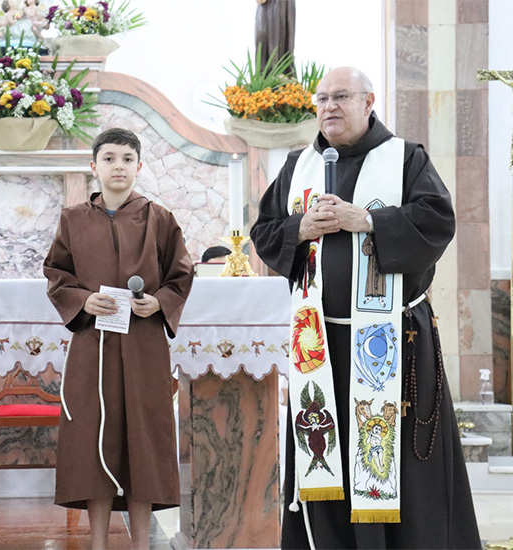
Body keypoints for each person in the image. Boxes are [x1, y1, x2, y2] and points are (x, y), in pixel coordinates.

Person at [250, 67, 480, 549]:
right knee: (325, 448)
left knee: (391, 458)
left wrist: (369, 220)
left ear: (368, 101)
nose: (329, 106)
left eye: (341, 97)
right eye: (322, 98)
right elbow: (265, 232)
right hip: (322, 343)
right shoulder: (299, 165)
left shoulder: (404, 158)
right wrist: (300, 230)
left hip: (391, 339)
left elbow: (437, 222)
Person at [43, 128, 194, 549]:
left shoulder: (159, 219)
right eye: (109, 158)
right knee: (94, 436)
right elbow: (57, 275)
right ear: (94, 167)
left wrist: (160, 303)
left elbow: (181, 274)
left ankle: (142, 541)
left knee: (142, 438)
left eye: (127, 159)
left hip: (143, 344)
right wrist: (83, 300)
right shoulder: (72, 219)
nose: (118, 166)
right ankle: (98, 541)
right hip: (94, 345)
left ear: (139, 167)